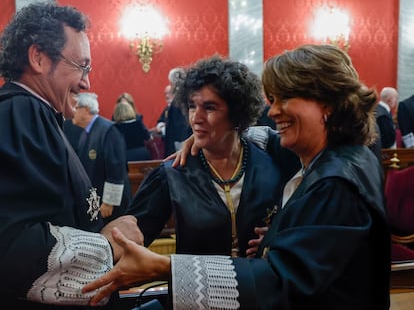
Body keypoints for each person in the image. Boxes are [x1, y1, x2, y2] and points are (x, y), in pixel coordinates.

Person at [83, 45, 391, 310]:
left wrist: (168, 268)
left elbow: (283, 280)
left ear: (327, 103)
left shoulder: (329, 179)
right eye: (192, 106)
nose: (274, 111)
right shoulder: (349, 156)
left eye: (285, 98)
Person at [0, 1, 143, 308]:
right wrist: (107, 245)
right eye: (81, 66)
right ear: (38, 57)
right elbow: (11, 246)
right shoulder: (21, 113)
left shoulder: (35, 112)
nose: (86, 82)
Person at [127, 55, 299, 257]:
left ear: (237, 113)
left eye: (209, 108)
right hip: (195, 287)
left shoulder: (274, 160)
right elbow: (131, 237)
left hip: (261, 286)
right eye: (192, 106)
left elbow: (307, 222)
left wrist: (278, 237)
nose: (196, 118)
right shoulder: (174, 173)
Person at [68, 92, 131, 223]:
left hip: (111, 207)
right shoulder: (87, 132)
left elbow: (116, 167)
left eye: (75, 107)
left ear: (85, 109)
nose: (72, 111)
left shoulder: (108, 131)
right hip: (97, 201)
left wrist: (109, 202)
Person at [156, 68, 192, 157]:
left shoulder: (178, 102)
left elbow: (179, 126)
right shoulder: (185, 98)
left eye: (171, 83)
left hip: (179, 143)